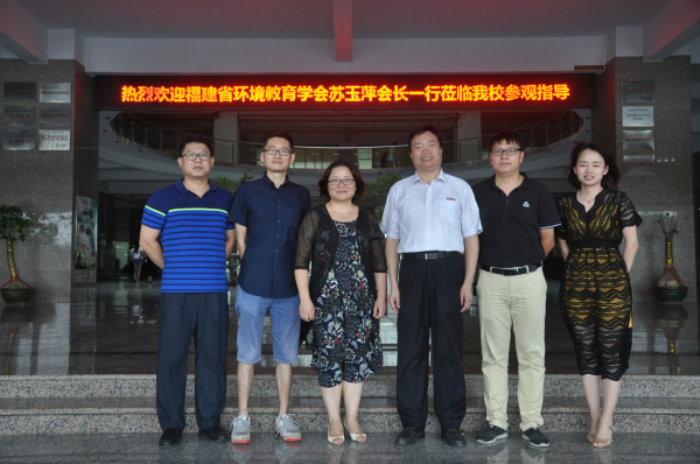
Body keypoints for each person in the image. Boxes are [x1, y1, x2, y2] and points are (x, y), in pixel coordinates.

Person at [382, 124, 481, 446]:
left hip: (449, 269)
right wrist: (394, 284)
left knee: (448, 349)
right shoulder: (399, 190)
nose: (425, 151)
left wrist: (468, 282)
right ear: (411, 154)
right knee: (410, 348)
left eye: (431, 144)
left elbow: (471, 238)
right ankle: (412, 423)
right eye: (418, 146)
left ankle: (451, 424)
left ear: (440, 150)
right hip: (411, 270)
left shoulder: (460, 188)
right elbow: (391, 239)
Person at [139, 135, 236, 446]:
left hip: (214, 291)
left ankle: (210, 422)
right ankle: (171, 425)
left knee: (213, 358)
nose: (197, 159)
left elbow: (231, 239)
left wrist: (213, 262)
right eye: (191, 154)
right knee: (172, 358)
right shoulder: (162, 197)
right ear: (180, 161)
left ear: (212, 162)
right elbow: (147, 241)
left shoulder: (225, 198)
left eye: (203, 154)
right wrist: (172, 267)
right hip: (176, 291)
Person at [472, 131, 560, 448]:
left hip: (529, 278)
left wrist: (528, 262)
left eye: (511, 150)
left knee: (532, 354)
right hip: (490, 279)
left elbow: (548, 240)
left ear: (522, 156)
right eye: (498, 151)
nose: (504, 156)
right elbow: (470, 239)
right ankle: (496, 421)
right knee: (493, 355)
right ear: (490, 158)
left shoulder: (538, 191)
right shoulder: (477, 192)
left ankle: (531, 422)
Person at [294, 160, 387, 445]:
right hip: (326, 301)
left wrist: (381, 296)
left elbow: (379, 262)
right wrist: (305, 299)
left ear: (356, 185)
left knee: (356, 358)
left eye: (347, 179)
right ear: (326, 186)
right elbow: (301, 262)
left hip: (361, 300)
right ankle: (334, 419)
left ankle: (352, 418)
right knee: (330, 358)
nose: (341, 184)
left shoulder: (367, 217)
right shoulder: (315, 217)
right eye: (335, 180)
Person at [229, 131, 311, 444]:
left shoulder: (301, 195)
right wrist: (253, 265)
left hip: (289, 286)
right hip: (253, 282)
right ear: (262, 156)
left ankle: (283, 416)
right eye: (271, 150)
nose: (277, 155)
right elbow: (240, 238)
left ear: (292, 157)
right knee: (247, 352)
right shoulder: (247, 192)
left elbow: (304, 241)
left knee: (285, 355)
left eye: (283, 150)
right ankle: (242, 417)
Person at [556, 142, 641, 448]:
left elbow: (632, 243)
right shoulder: (565, 203)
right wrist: (578, 269)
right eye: (583, 164)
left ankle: (607, 418)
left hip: (613, 285)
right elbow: (562, 242)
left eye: (595, 164)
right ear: (574, 169)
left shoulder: (618, 200)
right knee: (586, 349)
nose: (589, 170)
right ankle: (594, 416)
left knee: (611, 348)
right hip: (575, 286)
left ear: (605, 170)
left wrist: (618, 275)